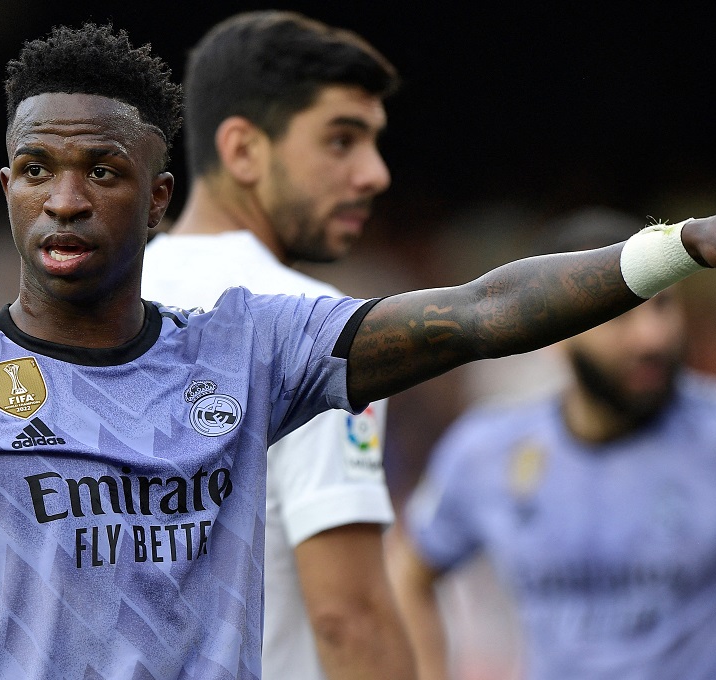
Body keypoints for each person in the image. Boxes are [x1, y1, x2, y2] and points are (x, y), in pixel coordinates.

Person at [0, 21, 716, 680]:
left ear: (158, 196)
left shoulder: (255, 346)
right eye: (37, 170)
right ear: (5, 186)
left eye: (102, 173)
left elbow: (478, 312)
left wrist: (677, 247)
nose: (65, 199)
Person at [386, 211, 716, 680]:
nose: (651, 336)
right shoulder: (487, 452)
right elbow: (406, 573)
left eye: (663, 304)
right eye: (619, 314)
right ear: (553, 330)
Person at [140, 11, 411, 680]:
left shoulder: (83, 310)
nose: (375, 173)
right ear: (243, 151)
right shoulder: (321, 328)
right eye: (341, 140)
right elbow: (349, 617)